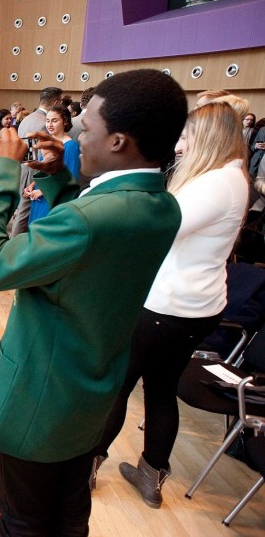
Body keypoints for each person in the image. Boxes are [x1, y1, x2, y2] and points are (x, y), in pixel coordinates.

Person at [0, 68, 187, 536]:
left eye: (88, 126)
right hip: (87, 398)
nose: (77, 132)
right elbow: (90, 251)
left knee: (22, 523)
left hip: (38, 404)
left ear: (120, 141)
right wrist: (62, 179)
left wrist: (2, 171)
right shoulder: (162, 207)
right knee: (66, 520)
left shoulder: (90, 219)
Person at [90, 101, 249, 508]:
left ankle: (89, 464)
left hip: (169, 306)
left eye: (187, 138)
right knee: (161, 389)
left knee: (119, 385)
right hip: (193, 306)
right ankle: (151, 472)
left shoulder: (218, 183)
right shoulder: (227, 178)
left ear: (207, 139)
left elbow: (160, 227)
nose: (179, 147)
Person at [11, 87, 64, 237]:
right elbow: (43, 153)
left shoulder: (27, 118)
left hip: (22, 168)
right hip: (33, 171)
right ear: (56, 101)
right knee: (25, 211)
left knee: (22, 209)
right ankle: (14, 245)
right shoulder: (44, 123)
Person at [26, 105, 80, 223]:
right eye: (48, 121)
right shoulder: (47, 143)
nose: (50, 124)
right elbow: (45, 170)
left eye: (54, 121)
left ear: (65, 122)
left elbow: (70, 179)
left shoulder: (71, 146)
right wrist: (33, 184)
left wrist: (42, 191)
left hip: (52, 197)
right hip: (39, 194)